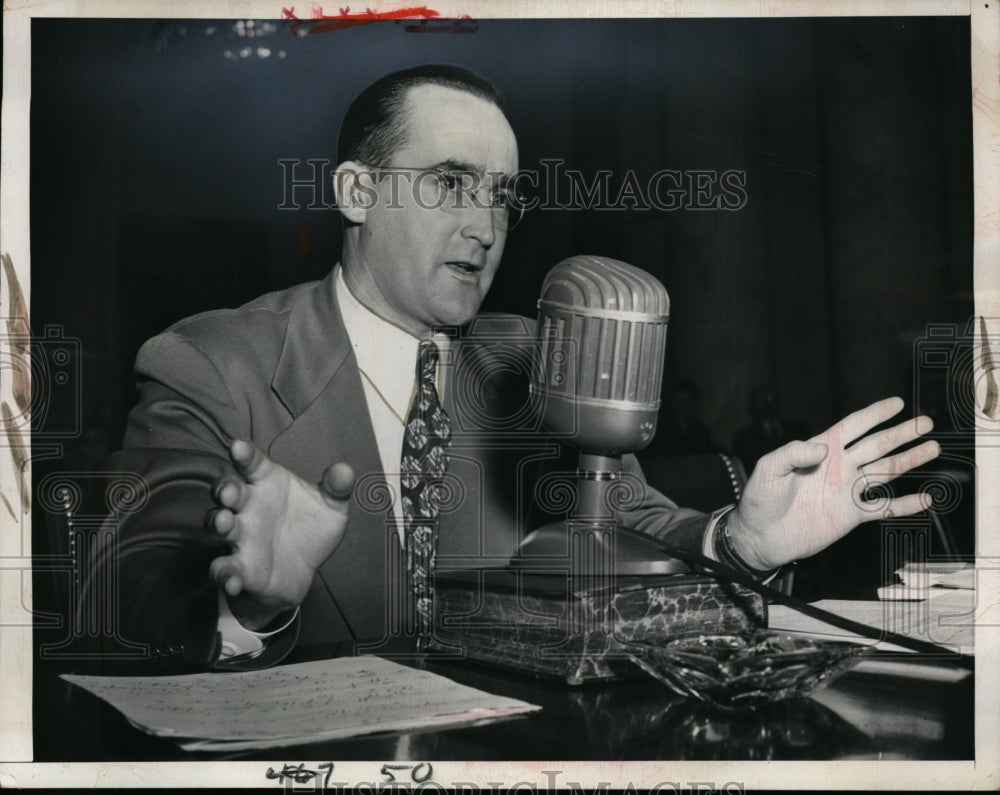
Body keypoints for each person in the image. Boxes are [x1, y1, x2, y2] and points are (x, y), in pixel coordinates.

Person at [88, 65, 940, 669]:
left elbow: (632, 521)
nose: (486, 225)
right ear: (354, 193)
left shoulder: (536, 357)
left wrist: (740, 541)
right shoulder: (210, 361)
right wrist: (251, 606)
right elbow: (122, 595)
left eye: (502, 194)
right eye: (452, 184)